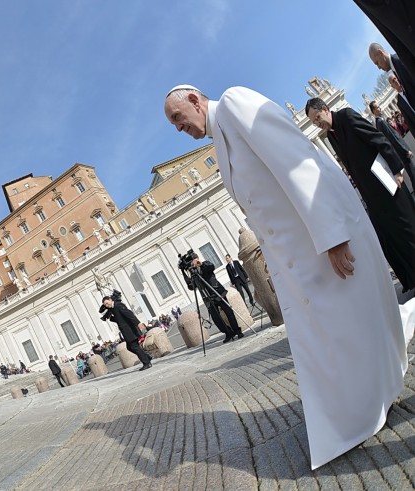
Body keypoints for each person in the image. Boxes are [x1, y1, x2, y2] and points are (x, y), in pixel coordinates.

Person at [164, 84, 408, 470]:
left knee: (352, 321)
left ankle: (369, 401)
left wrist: (331, 232)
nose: (178, 128)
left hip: (319, 238)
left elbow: (296, 159)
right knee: (336, 331)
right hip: (297, 256)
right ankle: (361, 403)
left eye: (178, 117)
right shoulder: (219, 140)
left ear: (195, 100)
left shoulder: (235, 103)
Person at [305, 97, 415, 292]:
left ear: (325, 108)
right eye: (314, 122)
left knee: (408, 228)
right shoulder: (331, 136)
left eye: (317, 117)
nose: (317, 123)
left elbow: (378, 139)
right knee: (391, 237)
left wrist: (397, 169)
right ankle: (410, 277)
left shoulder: (346, 116)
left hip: (387, 183)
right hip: (371, 195)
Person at [187, 254, 243, 343]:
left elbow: (211, 267)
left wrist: (200, 264)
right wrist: (186, 274)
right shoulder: (193, 272)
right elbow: (191, 287)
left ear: (196, 259)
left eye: (192, 260)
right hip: (208, 297)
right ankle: (228, 332)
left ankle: (237, 330)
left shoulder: (205, 264)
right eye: (190, 262)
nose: (191, 263)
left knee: (229, 313)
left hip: (218, 292)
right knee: (216, 319)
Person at [356, 2, 415, 82]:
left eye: (377, 63)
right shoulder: (397, 68)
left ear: (380, 53)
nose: (379, 67)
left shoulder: (401, 63)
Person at [369, 100, 415, 193]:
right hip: (402, 152)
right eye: (377, 107)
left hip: (400, 151)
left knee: (412, 174)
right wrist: (405, 150)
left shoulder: (380, 122)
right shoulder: (381, 122)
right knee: (413, 173)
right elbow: (393, 138)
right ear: (374, 111)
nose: (380, 107)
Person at [100, 296, 152, 370]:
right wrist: (111, 317)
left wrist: (138, 323)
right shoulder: (113, 308)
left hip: (130, 330)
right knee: (130, 347)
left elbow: (129, 314)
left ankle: (146, 362)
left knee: (134, 347)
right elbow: (119, 319)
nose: (107, 305)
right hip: (126, 331)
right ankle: (146, 357)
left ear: (110, 300)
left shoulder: (118, 305)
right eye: (105, 305)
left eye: (107, 303)